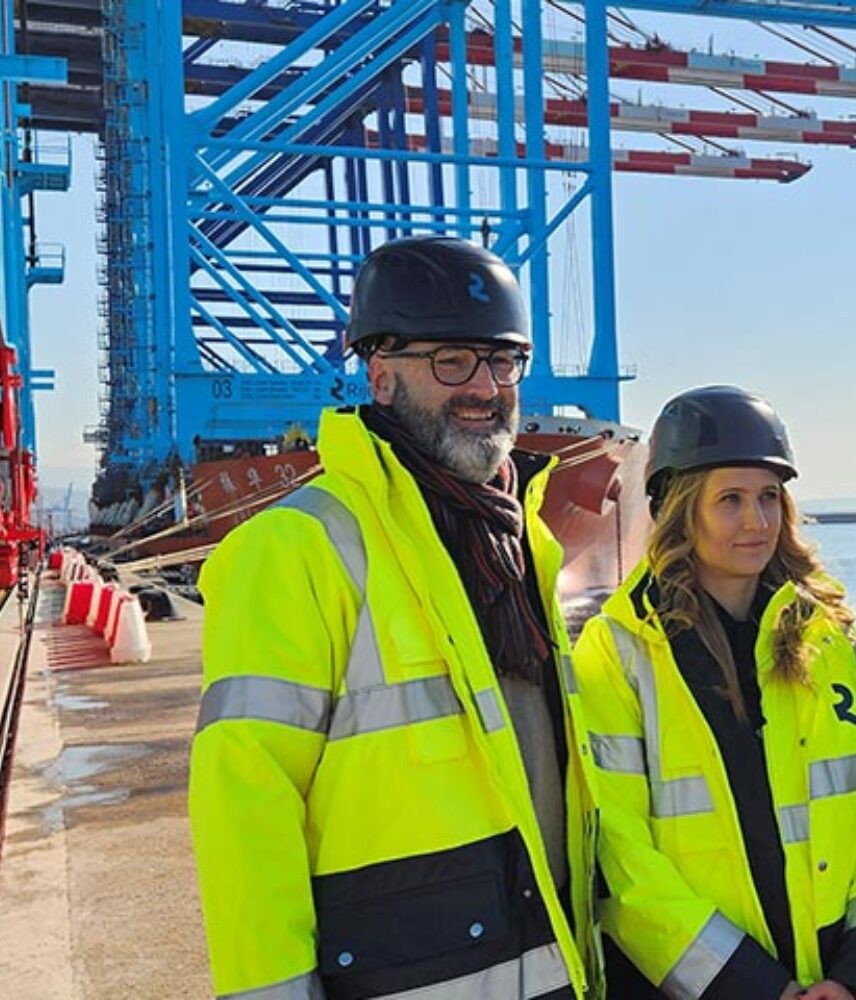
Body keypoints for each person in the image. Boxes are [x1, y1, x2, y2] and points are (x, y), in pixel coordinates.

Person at [189, 237, 602, 999]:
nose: (485, 387)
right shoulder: (294, 547)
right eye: (452, 361)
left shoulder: (524, 545)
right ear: (379, 375)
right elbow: (245, 809)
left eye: (503, 360)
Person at [572, 386, 856, 1000]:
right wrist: (752, 988)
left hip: (837, 979)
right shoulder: (620, 651)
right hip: (697, 987)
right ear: (679, 509)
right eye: (730, 500)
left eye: (768, 497)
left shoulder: (827, 638)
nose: (757, 522)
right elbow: (618, 853)